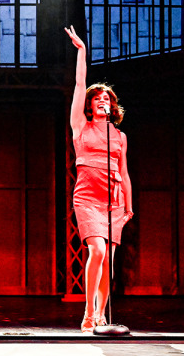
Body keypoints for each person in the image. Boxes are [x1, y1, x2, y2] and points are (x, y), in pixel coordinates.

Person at [65, 25, 134, 333]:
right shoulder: (81, 126)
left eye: (107, 97)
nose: (103, 99)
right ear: (91, 106)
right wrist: (82, 52)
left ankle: (103, 315)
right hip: (88, 196)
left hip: (115, 200)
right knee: (98, 251)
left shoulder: (119, 135)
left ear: (112, 104)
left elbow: (126, 171)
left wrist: (128, 206)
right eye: (98, 98)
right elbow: (80, 85)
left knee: (109, 262)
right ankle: (90, 311)